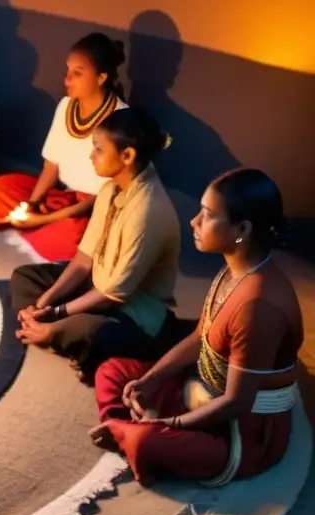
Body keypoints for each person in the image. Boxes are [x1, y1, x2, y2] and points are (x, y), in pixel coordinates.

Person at [90, 169, 300, 486]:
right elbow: (199, 337)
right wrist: (150, 380)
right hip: (200, 390)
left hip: (243, 429)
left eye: (207, 214)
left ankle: (136, 436)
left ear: (241, 229)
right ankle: (131, 431)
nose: (194, 222)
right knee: (113, 372)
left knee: (146, 440)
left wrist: (169, 424)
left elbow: (237, 403)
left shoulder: (257, 306)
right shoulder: (234, 271)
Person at [9, 107, 183, 383]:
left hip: (133, 315)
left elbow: (112, 296)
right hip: (96, 287)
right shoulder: (111, 188)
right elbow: (82, 261)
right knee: (24, 278)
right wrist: (44, 303)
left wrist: (55, 314)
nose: (91, 156)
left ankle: (63, 338)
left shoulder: (148, 211)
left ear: (127, 155)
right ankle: (60, 337)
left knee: (84, 327)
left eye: (99, 149)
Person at [0, 33, 128, 260]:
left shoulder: (120, 118)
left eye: (77, 73)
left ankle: (32, 230)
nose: (67, 80)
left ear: (101, 77)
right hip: (62, 198)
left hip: (90, 209)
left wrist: (41, 219)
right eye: (68, 72)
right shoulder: (66, 106)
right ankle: (35, 231)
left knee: (74, 235)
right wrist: (33, 204)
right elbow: (51, 167)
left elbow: (105, 196)